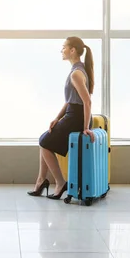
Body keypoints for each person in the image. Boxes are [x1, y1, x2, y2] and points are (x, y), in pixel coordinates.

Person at [27, 36, 95, 200]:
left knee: (44, 142)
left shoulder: (76, 74)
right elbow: (70, 100)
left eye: (64, 47)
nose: (61, 50)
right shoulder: (76, 71)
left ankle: (59, 182)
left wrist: (85, 127)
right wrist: (57, 118)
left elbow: (87, 102)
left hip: (77, 117)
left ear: (72, 50)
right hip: (72, 114)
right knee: (45, 140)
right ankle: (42, 181)